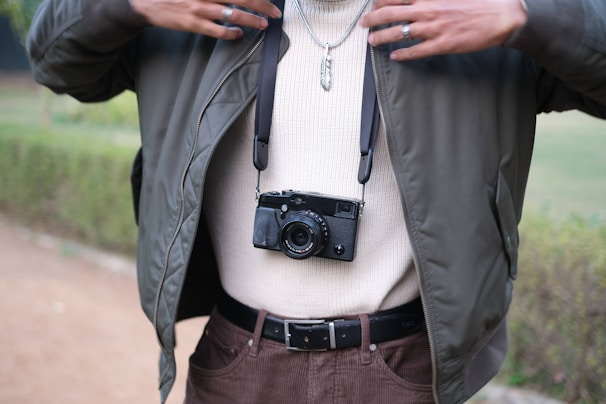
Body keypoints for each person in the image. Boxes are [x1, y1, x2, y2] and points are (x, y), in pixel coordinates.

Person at [26, 0, 606, 402]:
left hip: (403, 373)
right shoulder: (196, 11)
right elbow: (52, 57)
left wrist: (527, 18)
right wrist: (128, 5)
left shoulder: (470, 17)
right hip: (234, 362)